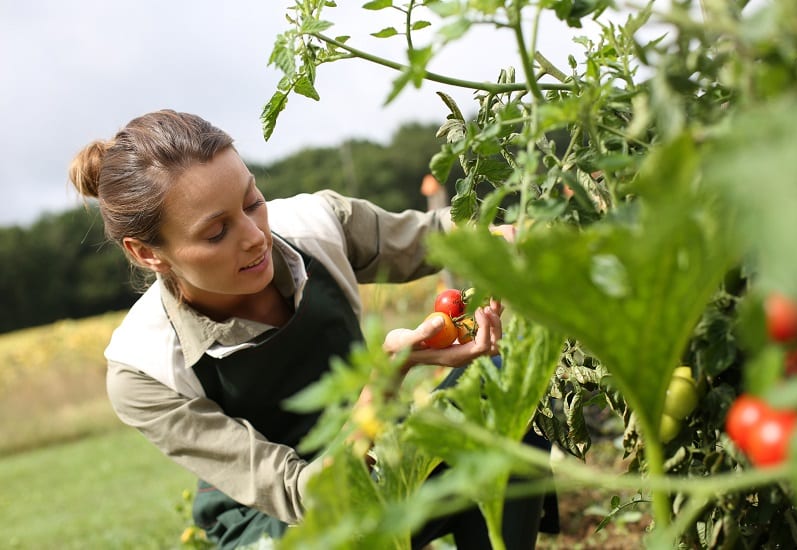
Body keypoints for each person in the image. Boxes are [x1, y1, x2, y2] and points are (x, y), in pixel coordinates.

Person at [69, 109, 545, 549]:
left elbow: (439, 237)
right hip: (279, 519)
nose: (255, 236)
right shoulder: (143, 369)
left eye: (253, 202)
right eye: (217, 233)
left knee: (501, 401)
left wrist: (538, 236)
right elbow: (305, 496)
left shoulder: (318, 223)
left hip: (381, 452)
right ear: (146, 254)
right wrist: (388, 376)